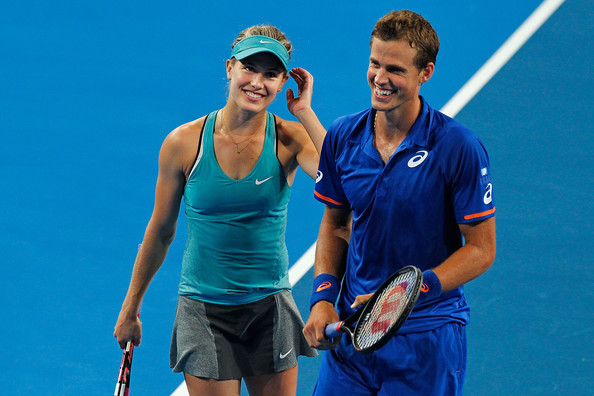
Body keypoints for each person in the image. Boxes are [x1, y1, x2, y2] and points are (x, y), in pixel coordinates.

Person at [114, 25, 326, 396]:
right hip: (203, 311)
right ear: (230, 68)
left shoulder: (291, 139)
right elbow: (161, 230)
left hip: (269, 309)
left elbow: (342, 182)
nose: (257, 82)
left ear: (282, 84)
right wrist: (131, 307)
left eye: (271, 74)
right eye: (249, 68)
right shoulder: (183, 143)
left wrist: (305, 113)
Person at [302, 10, 497, 395]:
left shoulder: (459, 148)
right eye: (375, 63)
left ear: (426, 72)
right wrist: (322, 297)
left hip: (427, 339)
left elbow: (481, 248)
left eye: (394, 69)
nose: (380, 78)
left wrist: (406, 294)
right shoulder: (343, 134)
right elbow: (336, 223)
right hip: (353, 336)